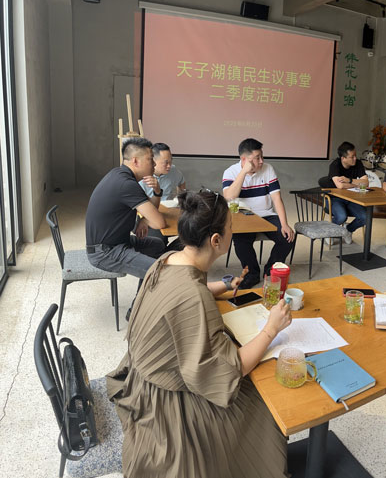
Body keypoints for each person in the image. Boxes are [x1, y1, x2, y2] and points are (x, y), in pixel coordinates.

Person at [106, 190, 292, 478]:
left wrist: (222, 285)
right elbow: (228, 369)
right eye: (231, 227)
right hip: (165, 404)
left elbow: (191, 289)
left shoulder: (168, 259)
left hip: (141, 379)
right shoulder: (193, 297)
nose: (232, 232)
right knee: (262, 400)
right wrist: (272, 328)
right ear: (216, 240)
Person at [85, 137, 167, 318]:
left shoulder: (120, 175)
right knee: (162, 273)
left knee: (158, 245)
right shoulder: (126, 184)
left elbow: (151, 214)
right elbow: (159, 222)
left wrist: (157, 192)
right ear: (136, 161)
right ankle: (137, 312)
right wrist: (146, 220)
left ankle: (141, 297)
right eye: (150, 159)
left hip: (115, 242)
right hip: (105, 252)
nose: (154, 164)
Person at [222, 138, 296, 289]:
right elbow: (229, 196)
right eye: (257, 158)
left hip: (267, 215)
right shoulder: (230, 172)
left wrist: (284, 224)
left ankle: (270, 271)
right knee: (241, 241)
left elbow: (276, 198)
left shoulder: (268, 169)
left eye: (262, 156)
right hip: (243, 217)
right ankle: (252, 274)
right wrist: (244, 172)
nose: (261, 161)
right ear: (244, 159)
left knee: (287, 238)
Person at [138, 142, 187, 247]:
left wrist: (181, 197)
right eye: (166, 163)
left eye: (171, 161)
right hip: (149, 215)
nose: (169, 166)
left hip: (169, 212)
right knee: (158, 241)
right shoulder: (141, 177)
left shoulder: (173, 171)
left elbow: (181, 182)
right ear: (153, 161)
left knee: (191, 235)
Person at [321, 141, 368, 244]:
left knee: (365, 217)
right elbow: (340, 186)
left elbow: (366, 183)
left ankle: (348, 230)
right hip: (334, 199)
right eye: (352, 157)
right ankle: (328, 231)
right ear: (343, 158)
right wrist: (357, 184)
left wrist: (349, 180)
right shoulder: (335, 165)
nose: (355, 158)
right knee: (341, 217)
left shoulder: (358, 163)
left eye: (355, 155)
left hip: (351, 198)